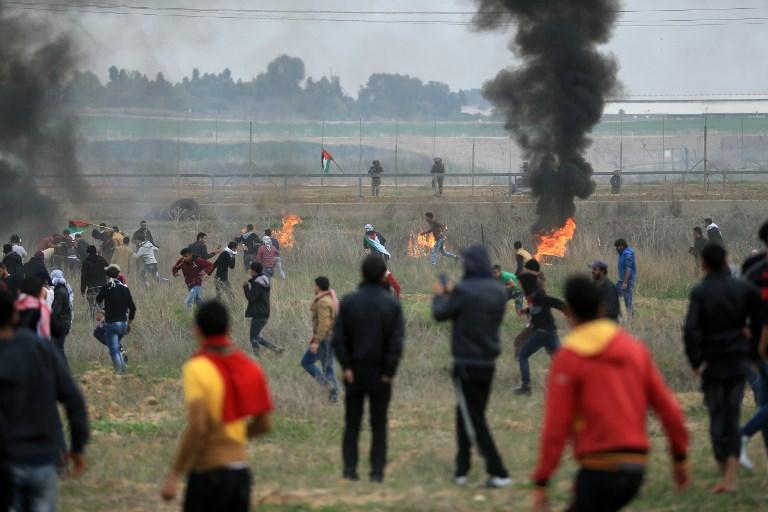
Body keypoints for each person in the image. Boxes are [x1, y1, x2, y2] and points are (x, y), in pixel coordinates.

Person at [532, 276, 689, 512]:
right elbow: (669, 409)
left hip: (599, 468)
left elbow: (556, 426)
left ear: (569, 314)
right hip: (636, 468)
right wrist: (680, 458)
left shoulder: (568, 359)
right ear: (602, 308)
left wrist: (542, 480)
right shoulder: (634, 350)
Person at [161, 301, 273, 512]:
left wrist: (175, 473)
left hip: (207, 473)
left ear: (197, 331)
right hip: (241, 473)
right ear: (229, 330)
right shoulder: (250, 367)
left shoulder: (197, 368)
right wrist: (235, 435)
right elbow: (265, 425)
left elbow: (198, 427)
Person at [0, 291, 90, 512]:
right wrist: (77, 447)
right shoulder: (39, 347)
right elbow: (74, 399)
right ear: (14, 315)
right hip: (42, 459)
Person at [683, 243, 762, 493]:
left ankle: (724, 476)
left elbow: (691, 331)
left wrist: (696, 362)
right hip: (738, 362)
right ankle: (730, 477)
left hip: (713, 365)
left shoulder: (700, 292)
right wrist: (753, 351)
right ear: (727, 260)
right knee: (734, 416)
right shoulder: (743, 288)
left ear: (703, 264)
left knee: (717, 419)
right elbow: (761, 318)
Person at [432, 245, 511, 488]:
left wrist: (439, 294)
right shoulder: (498, 291)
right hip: (488, 364)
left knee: (474, 419)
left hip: (466, 364)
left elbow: (440, 314)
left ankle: (499, 472)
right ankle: (461, 469)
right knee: (464, 415)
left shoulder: (463, 291)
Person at [333, 254, 404, 482]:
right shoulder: (392, 305)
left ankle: (350, 470)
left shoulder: (349, 302)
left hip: (354, 372)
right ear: (384, 276)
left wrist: (346, 367)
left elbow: (339, 338)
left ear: (362, 274)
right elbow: (396, 343)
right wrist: (389, 372)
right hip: (381, 374)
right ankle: (376, 472)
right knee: (378, 425)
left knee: (352, 423)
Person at [739, 221, 768, 471]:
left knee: (764, 403)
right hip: (762, 348)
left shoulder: (752, 272)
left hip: (753, 349)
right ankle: (743, 435)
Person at [515, 259, 566, 396]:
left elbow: (554, 302)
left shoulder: (537, 294)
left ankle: (526, 387)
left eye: (521, 284)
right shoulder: (534, 295)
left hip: (543, 332)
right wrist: (524, 311)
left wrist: (567, 310)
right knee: (561, 362)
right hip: (551, 331)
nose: (520, 286)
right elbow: (536, 308)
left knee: (523, 355)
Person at [301, 276, 340, 402]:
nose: (314, 288)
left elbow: (324, 323)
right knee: (328, 366)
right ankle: (334, 395)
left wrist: (316, 341)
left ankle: (328, 386)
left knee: (306, 362)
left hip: (325, 339)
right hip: (331, 338)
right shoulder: (329, 299)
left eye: (315, 285)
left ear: (318, 286)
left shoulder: (323, 302)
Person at [96, 265, 137, 373]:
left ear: (107, 275)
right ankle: (124, 372)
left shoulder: (107, 287)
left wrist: (101, 310)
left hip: (111, 323)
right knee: (117, 348)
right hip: (123, 323)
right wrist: (129, 323)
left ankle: (120, 374)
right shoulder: (125, 289)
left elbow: (98, 299)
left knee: (114, 351)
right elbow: (133, 308)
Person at [243, 262, 283, 355]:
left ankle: (257, 356)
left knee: (253, 337)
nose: (250, 272)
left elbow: (251, 298)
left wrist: (245, 287)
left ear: (254, 271)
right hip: (264, 312)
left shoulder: (257, 283)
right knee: (256, 336)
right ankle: (275, 349)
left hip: (258, 313)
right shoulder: (265, 280)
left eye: (251, 270)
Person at [50, 269, 74, 364]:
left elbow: (56, 310)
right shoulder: (65, 289)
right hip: (65, 322)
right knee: (58, 348)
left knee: (58, 348)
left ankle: (65, 370)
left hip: (60, 324)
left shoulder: (59, 292)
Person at [81, 245, 109, 319]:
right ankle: (103, 317)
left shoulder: (85, 262)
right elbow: (108, 272)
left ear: (88, 252)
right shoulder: (103, 260)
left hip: (91, 287)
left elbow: (83, 277)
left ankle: (93, 316)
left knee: (92, 303)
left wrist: (83, 289)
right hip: (103, 285)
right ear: (96, 252)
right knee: (102, 303)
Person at [614, 239, 636, 320]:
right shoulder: (622, 253)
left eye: (617, 247)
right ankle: (618, 315)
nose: (616, 249)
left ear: (621, 246)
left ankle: (630, 318)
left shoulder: (627, 254)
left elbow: (628, 269)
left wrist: (625, 282)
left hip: (627, 281)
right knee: (613, 293)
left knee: (627, 299)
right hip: (621, 280)